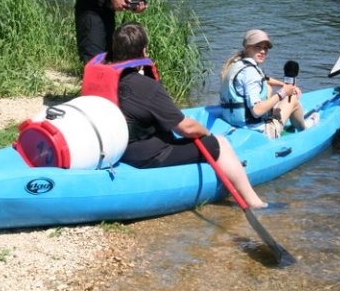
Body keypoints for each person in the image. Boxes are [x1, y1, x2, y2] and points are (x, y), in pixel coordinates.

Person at [112, 22, 268, 208]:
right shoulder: (146, 86)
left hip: (120, 151)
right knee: (220, 143)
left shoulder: (110, 78)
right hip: (150, 156)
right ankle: (255, 203)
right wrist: (207, 135)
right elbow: (186, 127)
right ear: (144, 51)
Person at [219, 29, 316, 139]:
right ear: (247, 48)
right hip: (260, 131)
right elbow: (256, 111)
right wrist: (282, 93)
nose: (263, 51)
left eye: (265, 48)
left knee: (268, 87)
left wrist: (283, 85)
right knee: (293, 99)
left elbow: (264, 79)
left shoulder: (237, 64)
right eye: (258, 47)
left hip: (235, 124)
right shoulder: (250, 73)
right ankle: (305, 129)